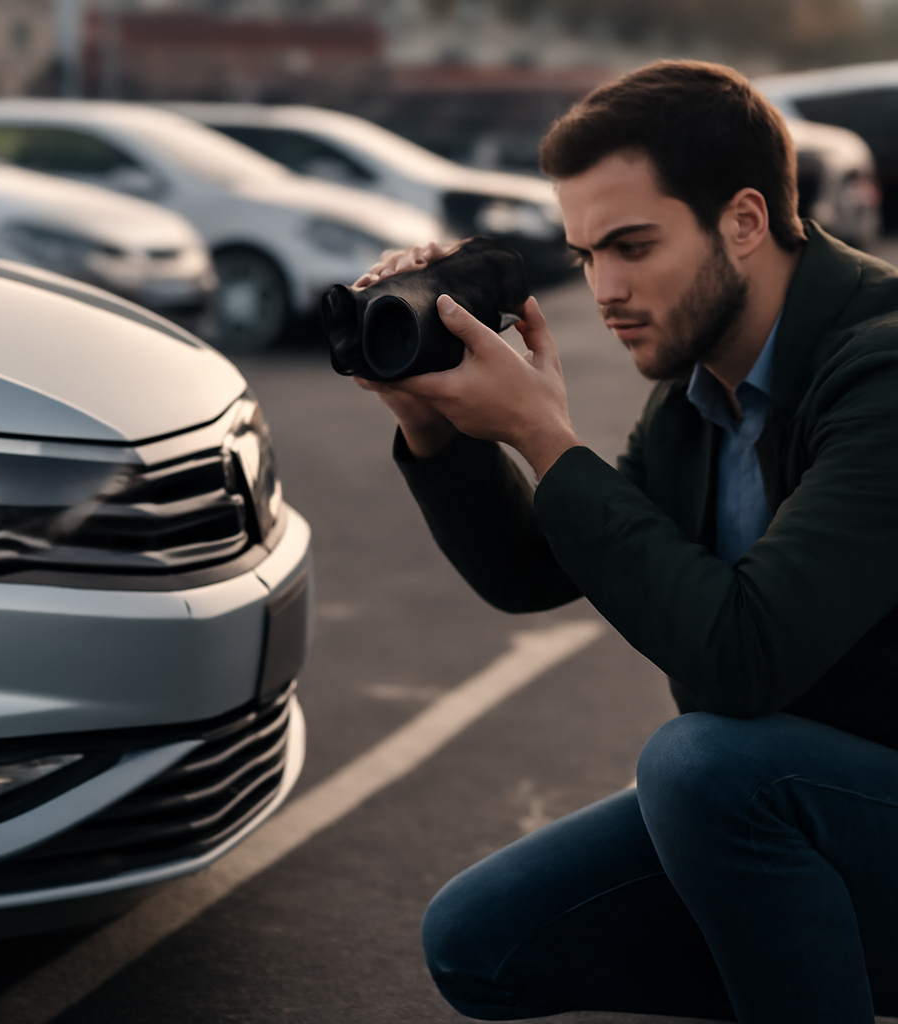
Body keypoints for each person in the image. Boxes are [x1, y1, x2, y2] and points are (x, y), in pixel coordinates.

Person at [352, 60, 898, 1023]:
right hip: (798, 819)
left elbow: (745, 661)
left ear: (743, 220)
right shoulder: (699, 389)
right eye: (585, 254)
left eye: (633, 246)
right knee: (480, 942)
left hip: (843, 799)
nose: (604, 290)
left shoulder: (881, 367)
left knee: (705, 765)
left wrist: (543, 434)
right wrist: (435, 424)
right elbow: (531, 574)